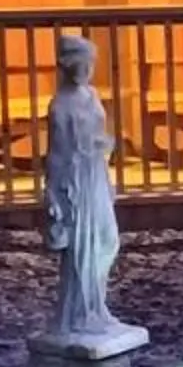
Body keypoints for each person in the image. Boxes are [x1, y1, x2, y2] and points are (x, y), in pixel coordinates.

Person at [43, 34, 125, 336]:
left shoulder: (92, 96)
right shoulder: (60, 106)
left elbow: (97, 132)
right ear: (67, 66)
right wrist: (53, 195)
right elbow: (56, 153)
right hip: (75, 181)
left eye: (90, 63)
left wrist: (105, 149)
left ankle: (97, 307)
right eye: (81, 63)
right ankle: (81, 312)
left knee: (107, 240)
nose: (87, 69)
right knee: (83, 248)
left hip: (96, 173)